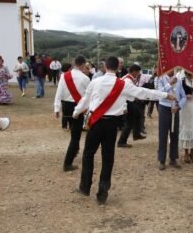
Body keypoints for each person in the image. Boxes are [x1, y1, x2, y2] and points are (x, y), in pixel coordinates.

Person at [72, 56, 175, 204]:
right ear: (118, 68)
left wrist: (76, 112)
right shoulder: (123, 84)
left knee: (88, 154)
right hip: (112, 124)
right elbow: (144, 92)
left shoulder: (95, 81)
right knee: (108, 158)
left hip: (96, 123)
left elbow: (85, 100)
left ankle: (85, 186)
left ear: (105, 66)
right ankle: (103, 191)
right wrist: (165, 94)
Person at [54, 56, 90, 171]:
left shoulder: (64, 76)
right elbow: (87, 97)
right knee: (75, 136)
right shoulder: (85, 78)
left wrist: (56, 108)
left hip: (66, 108)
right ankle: (67, 163)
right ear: (82, 65)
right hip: (78, 108)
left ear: (74, 64)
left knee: (74, 133)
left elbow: (58, 93)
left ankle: (74, 152)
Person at [157, 70, 182, 170]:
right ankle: (162, 160)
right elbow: (160, 93)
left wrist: (178, 105)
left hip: (175, 108)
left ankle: (173, 158)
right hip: (164, 107)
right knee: (163, 134)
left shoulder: (178, 79)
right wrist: (170, 83)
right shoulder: (161, 78)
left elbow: (181, 94)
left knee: (174, 133)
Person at [116, 64, 147, 148]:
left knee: (138, 115)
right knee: (129, 123)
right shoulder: (128, 81)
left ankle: (136, 134)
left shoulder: (128, 78)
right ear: (133, 72)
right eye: (137, 72)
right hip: (127, 102)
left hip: (130, 101)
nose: (138, 74)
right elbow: (127, 93)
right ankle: (121, 141)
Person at [60, 63, 73, 130]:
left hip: (65, 96)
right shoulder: (64, 76)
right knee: (67, 112)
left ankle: (66, 125)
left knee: (66, 112)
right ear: (68, 69)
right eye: (71, 68)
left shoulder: (63, 75)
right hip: (66, 95)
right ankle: (66, 125)